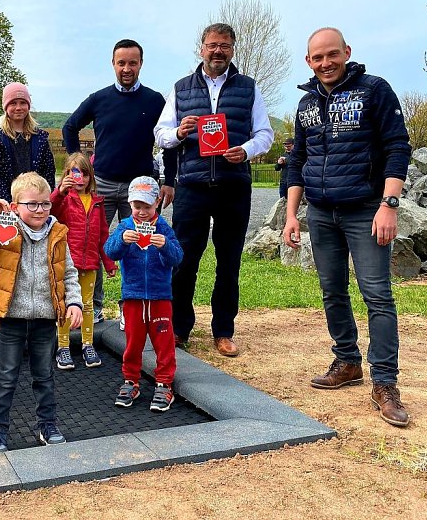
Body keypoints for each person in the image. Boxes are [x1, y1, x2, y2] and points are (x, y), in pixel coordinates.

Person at [283, 27, 412, 427]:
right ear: (309, 61)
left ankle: (385, 383)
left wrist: (388, 204)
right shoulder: (305, 104)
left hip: (365, 210)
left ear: (346, 52)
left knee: (377, 294)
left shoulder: (374, 90)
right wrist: (292, 214)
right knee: (332, 291)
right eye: (317, 57)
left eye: (331, 55)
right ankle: (347, 360)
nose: (325, 63)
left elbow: (397, 147)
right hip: (321, 213)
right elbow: (297, 158)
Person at [154, 23, 274, 356]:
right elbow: (160, 135)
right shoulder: (181, 88)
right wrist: (179, 131)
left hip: (233, 186)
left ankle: (223, 330)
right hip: (192, 186)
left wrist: (246, 151)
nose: (217, 51)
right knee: (183, 260)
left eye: (224, 45)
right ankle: (179, 329)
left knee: (229, 261)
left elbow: (265, 134)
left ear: (232, 48)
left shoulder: (249, 88)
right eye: (211, 45)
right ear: (201, 48)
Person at [0, 172, 83, 453]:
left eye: (44, 204)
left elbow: (68, 273)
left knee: (44, 375)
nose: (40, 209)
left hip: (45, 319)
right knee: (5, 377)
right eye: (32, 204)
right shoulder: (6, 229)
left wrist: (75, 302)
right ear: (16, 206)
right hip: (11, 318)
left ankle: (47, 424)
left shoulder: (58, 233)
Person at [63, 39, 175, 323]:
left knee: (140, 246)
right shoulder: (99, 99)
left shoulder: (154, 100)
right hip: (101, 182)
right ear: (113, 64)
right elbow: (70, 126)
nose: (127, 68)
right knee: (92, 246)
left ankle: (131, 307)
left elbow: (168, 140)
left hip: (141, 187)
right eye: (121, 63)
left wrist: (169, 180)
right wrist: (78, 164)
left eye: (132, 63)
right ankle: (93, 306)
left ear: (141, 64)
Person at [104, 176, 183, 411]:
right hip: (133, 297)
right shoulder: (125, 226)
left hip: (160, 298)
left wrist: (165, 246)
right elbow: (110, 251)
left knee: (164, 343)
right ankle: (130, 380)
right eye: (137, 206)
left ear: (157, 202)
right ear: (129, 204)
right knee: (133, 342)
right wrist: (121, 240)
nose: (141, 212)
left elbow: (178, 257)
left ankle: (164, 383)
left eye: (146, 206)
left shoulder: (163, 229)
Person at [50, 152, 117, 370]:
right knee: (65, 305)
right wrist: (59, 191)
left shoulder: (97, 202)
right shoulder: (64, 200)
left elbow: (103, 235)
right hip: (67, 263)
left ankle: (87, 344)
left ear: (90, 176)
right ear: (67, 175)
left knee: (87, 305)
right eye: (73, 173)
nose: (80, 179)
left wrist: (108, 262)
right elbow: (50, 210)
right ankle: (63, 346)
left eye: (84, 174)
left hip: (90, 263)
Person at [0, 83, 56, 203]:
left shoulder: (40, 138)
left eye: (23, 103)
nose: (18, 107)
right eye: (13, 103)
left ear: (28, 106)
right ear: (5, 106)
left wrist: (44, 200)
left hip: (34, 202)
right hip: (5, 202)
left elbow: (48, 172)